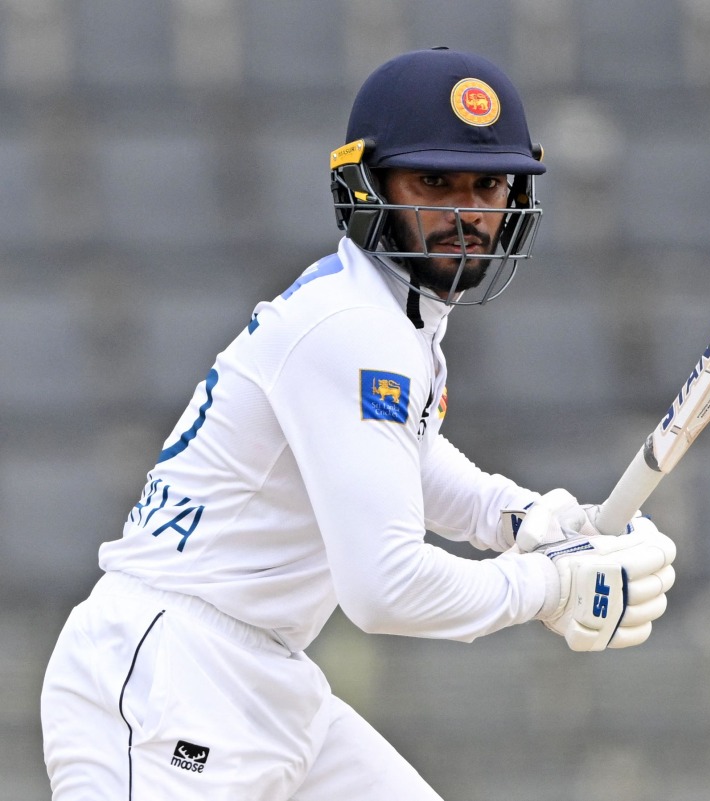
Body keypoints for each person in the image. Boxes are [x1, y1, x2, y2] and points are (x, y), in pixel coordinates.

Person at [41, 47, 677, 800]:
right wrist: (545, 583)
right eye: (434, 181)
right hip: (168, 679)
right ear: (366, 186)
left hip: (264, 682)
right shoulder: (356, 331)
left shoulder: (382, 315)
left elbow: (404, 455)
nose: (468, 213)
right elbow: (386, 588)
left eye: (489, 184)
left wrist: (521, 516)